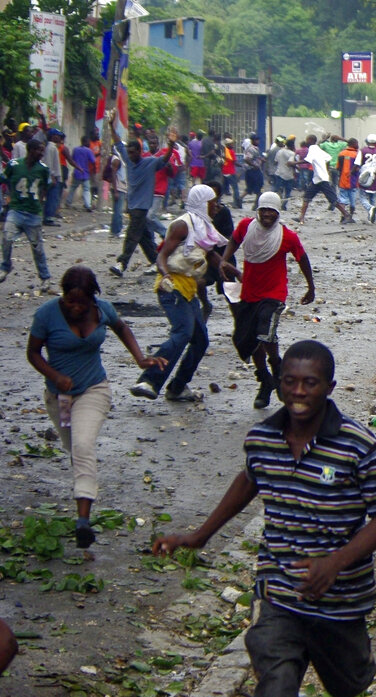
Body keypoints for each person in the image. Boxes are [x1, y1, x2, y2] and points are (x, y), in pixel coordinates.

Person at [152, 340, 376, 697]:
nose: (298, 392)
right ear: (279, 382)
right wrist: (199, 536)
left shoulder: (359, 446)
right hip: (278, 592)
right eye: (289, 381)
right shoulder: (263, 438)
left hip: (341, 601)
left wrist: (335, 563)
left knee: (350, 685)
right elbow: (249, 481)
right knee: (277, 683)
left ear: (329, 388)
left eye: (310, 383)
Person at [27, 266, 166, 548]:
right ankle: (83, 487)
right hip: (60, 398)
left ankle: (83, 522)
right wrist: (55, 376)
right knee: (74, 448)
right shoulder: (46, 315)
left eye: (82, 302)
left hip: (94, 389)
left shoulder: (102, 310)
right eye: (70, 301)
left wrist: (140, 359)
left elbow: (122, 327)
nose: (76, 307)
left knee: (83, 445)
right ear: (63, 296)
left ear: (92, 299)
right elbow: (33, 352)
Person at [129, 185, 226, 402]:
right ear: (203, 203)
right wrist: (164, 274)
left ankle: (177, 387)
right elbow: (162, 255)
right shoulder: (183, 225)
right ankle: (148, 380)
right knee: (182, 332)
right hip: (172, 288)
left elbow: (211, 256)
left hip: (189, 290)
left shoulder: (204, 227)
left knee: (200, 341)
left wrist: (233, 272)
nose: (217, 207)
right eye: (213, 203)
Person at [220, 192, 315, 409]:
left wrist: (311, 287)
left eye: (272, 211)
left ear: (278, 213)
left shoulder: (286, 236)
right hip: (249, 292)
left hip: (274, 293)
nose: (267, 215)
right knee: (246, 340)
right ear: (258, 211)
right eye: (263, 210)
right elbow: (234, 240)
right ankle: (265, 380)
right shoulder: (246, 227)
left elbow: (302, 259)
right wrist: (224, 260)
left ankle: (277, 368)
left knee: (266, 331)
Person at [108, 115, 178, 278]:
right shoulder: (128, 159)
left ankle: (122, 263)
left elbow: (165, 159)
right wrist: (111, 125)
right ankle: (156, 260)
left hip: (141, 207)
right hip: (132, 206)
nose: (131, 155)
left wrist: (171, 144)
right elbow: (118, 142)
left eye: (133, 153)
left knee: (132, 235)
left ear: (139, 152)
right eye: (129, 153)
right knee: (144, 237)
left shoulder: (150, 162)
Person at [0, 139, 55, 291]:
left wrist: (41, 203)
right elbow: (5, 178)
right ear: (31, 150)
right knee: (7, 237)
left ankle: (45, 277)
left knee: (37, 248)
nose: (42, 153)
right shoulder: (15, 165)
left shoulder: (43, 169)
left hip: (33, 213)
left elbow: (47, 185)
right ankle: (5, 266)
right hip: (16, 209)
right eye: (39, 150)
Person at [297, 135, 348, 225]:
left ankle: (346, 215)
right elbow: (328, 158)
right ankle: (301, 217)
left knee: (332, 199)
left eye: (307, 139)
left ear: (311, 140)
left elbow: (308, 160)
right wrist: (326, 169)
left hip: (321, 179)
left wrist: (294, 163)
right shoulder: (317, 148)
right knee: (306, 197)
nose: (306, 141)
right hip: (318, 178)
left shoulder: (312, 148)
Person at [356, 134, 376, 223]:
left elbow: (357, 165)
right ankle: (372, 217)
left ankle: (370, 208)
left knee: (362, 197)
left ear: (367, 141)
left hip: (365, 177)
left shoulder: (362, 151)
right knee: (373, 198)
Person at [64, 136, 96, 211]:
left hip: (77, 172)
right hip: (85, 173)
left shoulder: (75, 149)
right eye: (88, 142)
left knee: (73, 188)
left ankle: (68, 202)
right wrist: (93, 171)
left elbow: (72, 160)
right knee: (86, 190)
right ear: (85, 142)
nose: (89, 143)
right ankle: (88, 205)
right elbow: (93, 161)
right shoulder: (88, 151)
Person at [336, 138, 360, 224]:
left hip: (342, 180)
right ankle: (350, 216)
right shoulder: (357, 154)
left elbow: (338, 168)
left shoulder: (341, 153)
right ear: (353, 144)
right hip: (353, 181)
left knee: (343, 200)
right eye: (357, 143)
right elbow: (357, 168)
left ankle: (343, 216)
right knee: (352, 201)